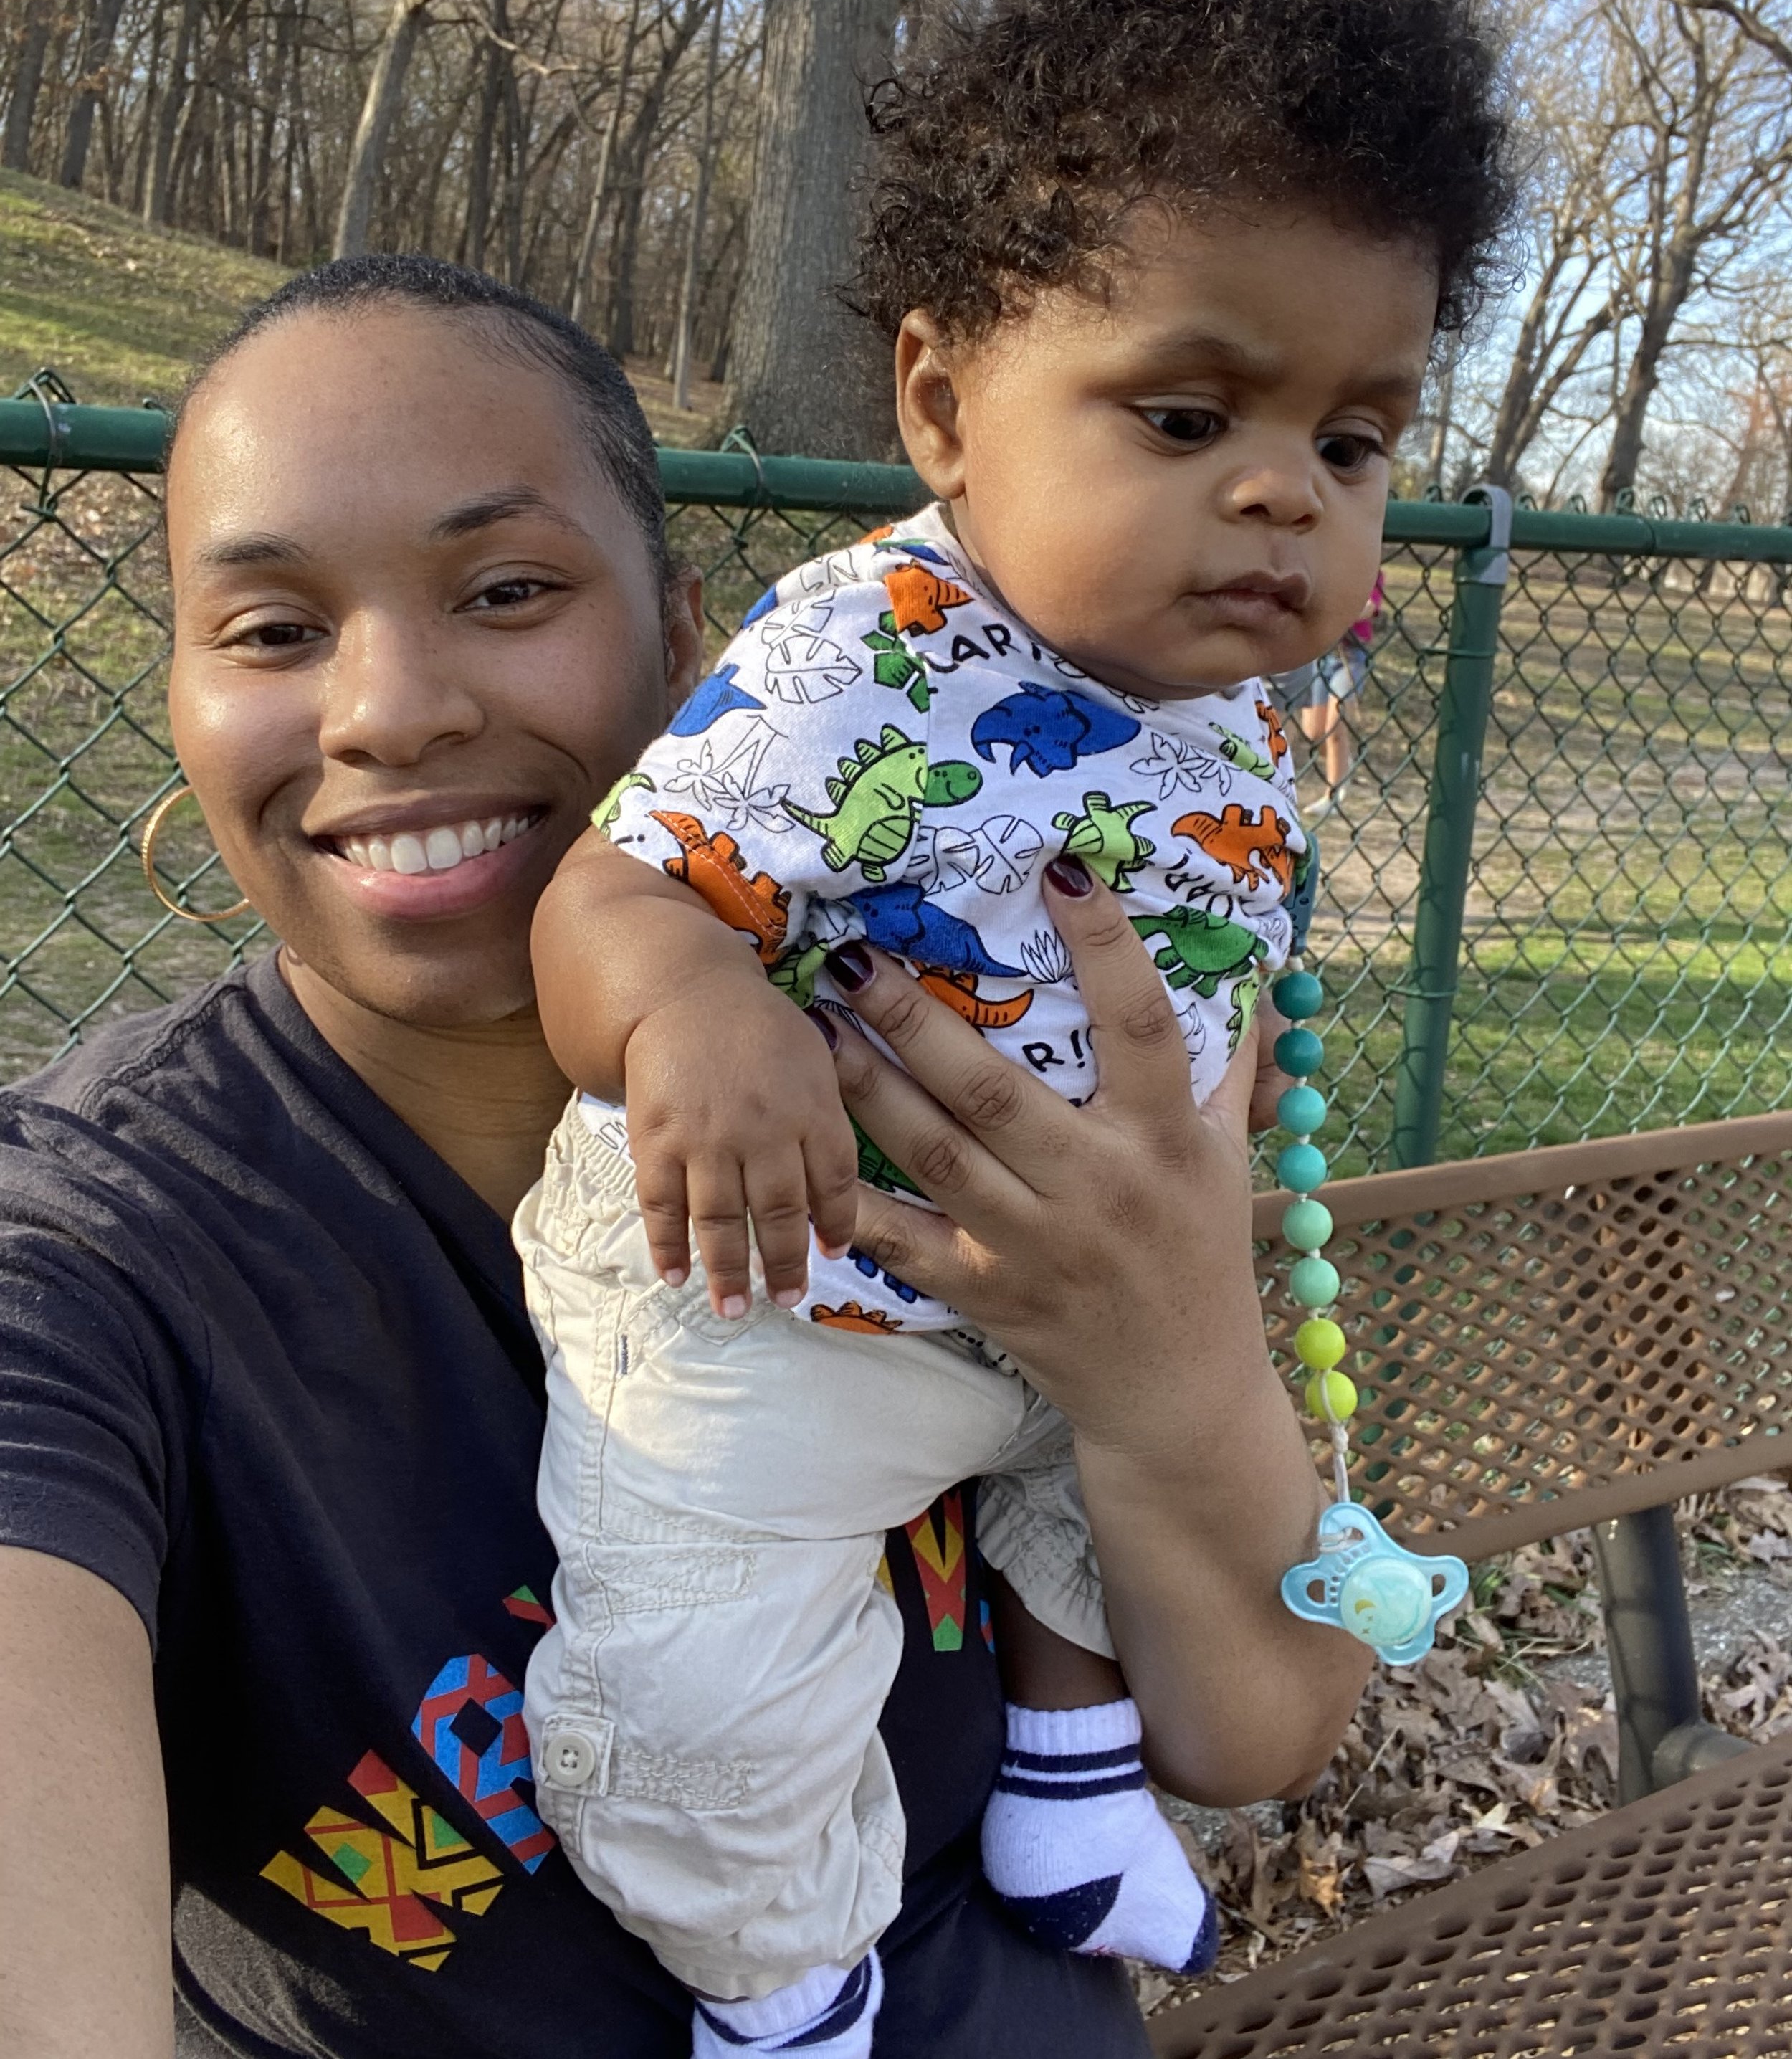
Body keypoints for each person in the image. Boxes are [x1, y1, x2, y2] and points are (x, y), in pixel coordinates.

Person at [0, 255, 1368, 2059]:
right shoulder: (95, 1264)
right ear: (177, 693)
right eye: (269, 629)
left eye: (505, 589)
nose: (387, 711)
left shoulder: (968, 1076)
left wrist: (1163, 1343)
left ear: (692, 648)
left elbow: (1261, 1730)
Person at [525, 0, 1514, 2057]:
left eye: (1348, 439)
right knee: (688, 1668)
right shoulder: (858, 654)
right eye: (1185, 417)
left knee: (1131, 1469)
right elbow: (606, 893)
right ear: (941, 401)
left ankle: (1071, 1769)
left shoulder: (1236, 701)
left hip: (1071, 1307)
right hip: (772, 1295)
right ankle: (780, 1983)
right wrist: (690, 999)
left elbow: (1211, 972)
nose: (1284, 496)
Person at [1275, 573, 1386, 797]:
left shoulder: (1370, 573)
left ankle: (1334, 794)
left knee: (1335, 726)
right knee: (1314, 731)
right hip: (1324, 654)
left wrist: (1335, 612)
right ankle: (1343, 759)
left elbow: (1370, 607)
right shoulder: (1332, 568)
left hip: (1351, 656)